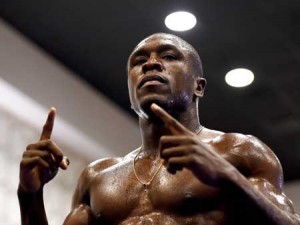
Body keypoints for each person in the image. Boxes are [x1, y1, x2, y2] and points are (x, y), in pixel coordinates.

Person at [18, 33, 300, 225]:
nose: (151, 64)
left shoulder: (239, 152)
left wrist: (228, 176)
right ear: (130, 90)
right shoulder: (97, 177)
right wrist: (30, 195)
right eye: (139, 62)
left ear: (198, 86)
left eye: (168, 56)